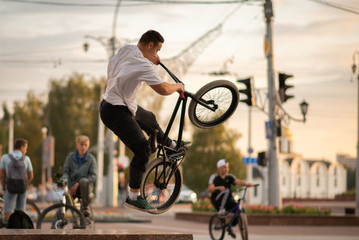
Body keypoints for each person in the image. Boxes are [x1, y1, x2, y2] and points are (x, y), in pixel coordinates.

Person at [99, 30, 187, 213]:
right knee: (142, 149)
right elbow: (163, 89)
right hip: (115, 111)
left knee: (149, 118)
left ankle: (170, 145)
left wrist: (150, 60)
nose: (157, 56)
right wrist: (178, 86)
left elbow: (125, 66)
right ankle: (133, 198)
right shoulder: (142, 64)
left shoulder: (127, 49)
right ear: (149, 45)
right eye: (157, 51)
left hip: (120, 103)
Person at [208, 159, 253, 238]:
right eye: (224, 167)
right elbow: (210, 188)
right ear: (219, 168)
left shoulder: (230, 176)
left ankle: (230, 226)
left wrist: (247, 184)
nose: (226, 169)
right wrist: (218, 188)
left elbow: (238, 181)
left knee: (239, 210)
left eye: (227, 167)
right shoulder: (214, 177)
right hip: (217, 200)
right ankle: (222, 210)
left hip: (227, 199)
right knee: (227, 191)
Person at [61, 135, 97, 217]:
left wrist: (78, 184)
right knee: (63, 205)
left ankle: (85, 207)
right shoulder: (70, 157)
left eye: (86, 145)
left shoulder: (91, 159)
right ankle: (58, 222)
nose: (83, 147)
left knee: (83, 181)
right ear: (77, 144)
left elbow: (93, 176)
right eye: (81, 144)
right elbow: (66, 172)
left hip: (85, 187)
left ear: (88, 146)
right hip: (72, 186)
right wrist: (64, 180)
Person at [0, 138, 33, 220]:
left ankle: (10, 226)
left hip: (10, 187)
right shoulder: (26, 159)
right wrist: (25, 183)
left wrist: (4, 186)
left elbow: (1, 175)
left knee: (8, 210)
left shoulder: (5, 157)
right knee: (21, 210)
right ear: (21, 147)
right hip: (22, 188)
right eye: (25, 148)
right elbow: (31, 175)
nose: (26, 151)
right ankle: (20, 228)